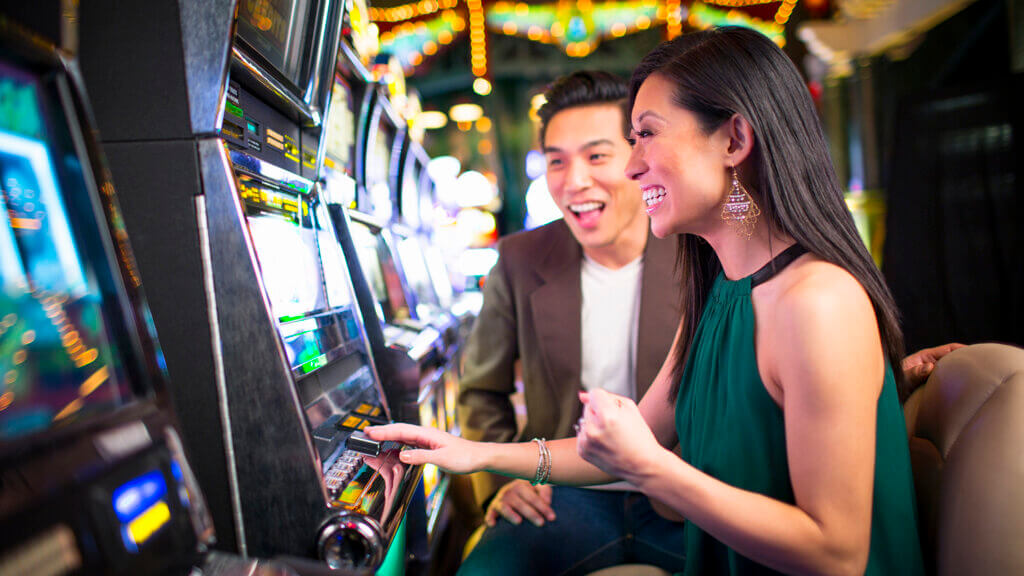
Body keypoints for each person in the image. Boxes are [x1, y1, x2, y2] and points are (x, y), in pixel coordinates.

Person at [373, 27, 945, 575]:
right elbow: (614, 449)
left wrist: (649, 469)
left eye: (645, 134)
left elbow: (837, 556)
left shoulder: (818, 301)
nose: (631, 164)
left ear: (734, 140)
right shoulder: (720, 290)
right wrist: (471, 452)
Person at [457, 70, 689, 575]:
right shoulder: (521, 257)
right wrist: (501, 480)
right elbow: (480, 392)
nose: (574, 180)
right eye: (556, 161)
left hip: (686, 497)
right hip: (564, 494)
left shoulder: (698, 251)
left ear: (637, 158)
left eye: (596, 155)